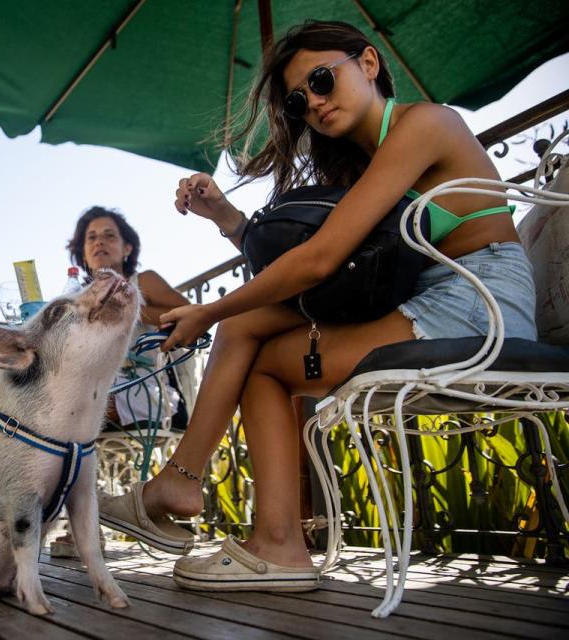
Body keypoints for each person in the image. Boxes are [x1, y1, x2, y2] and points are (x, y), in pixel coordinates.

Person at [98, 20, 536, 592]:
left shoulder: (427, 124)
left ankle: (241, 521)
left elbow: (320, 261)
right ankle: (203, 496)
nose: (316, 103)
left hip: (481, 302)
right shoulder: (366, 162)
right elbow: (337, 273)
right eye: (301, 101)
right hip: (430, 293)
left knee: (255, 347)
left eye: (324, 80)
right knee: (250, 328)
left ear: (370, 65)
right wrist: (229, 219)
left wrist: (209, 311)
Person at [50, 206, 190, 558]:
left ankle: (83, 525)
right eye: (91, 237)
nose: (99, 242)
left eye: (109, 235)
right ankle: (83, 523)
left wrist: (135, 310)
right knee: (53, 411)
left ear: (127, 248)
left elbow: (193, 320)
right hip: (99, 391)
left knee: (73, 415)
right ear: (82, 252)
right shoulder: (78, 299)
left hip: (148, 388)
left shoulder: (146, 282)